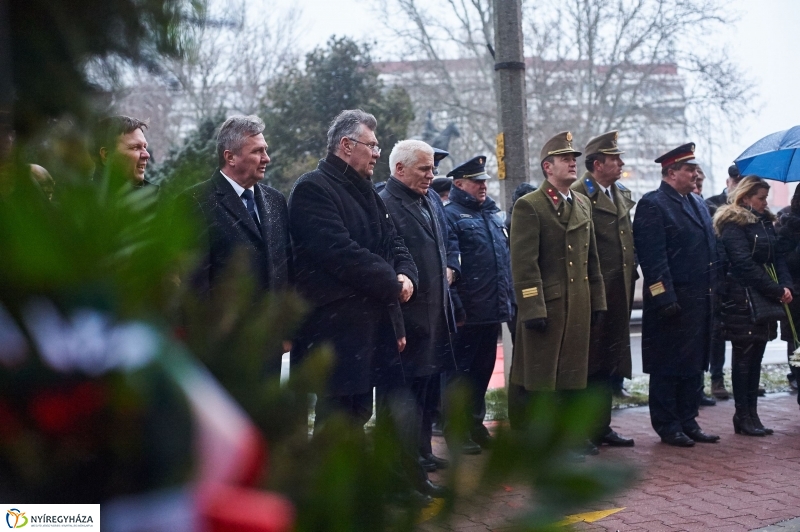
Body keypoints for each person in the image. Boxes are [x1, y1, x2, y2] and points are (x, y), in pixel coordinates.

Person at [288, 109, 418, 430]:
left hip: (368, 330)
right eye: (371, 146)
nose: (377, 154)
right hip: (335, 334)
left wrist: (407, 274)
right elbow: (340, 252)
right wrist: (392, 282)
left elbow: (394, 242)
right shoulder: (313, 188)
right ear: (346, 145)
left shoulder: (367, 190)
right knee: (337, 422)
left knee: (357, 414)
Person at [508, 132, 606, 456]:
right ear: (547, 167)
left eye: (574, 158)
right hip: (548, 306)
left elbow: (591, 259)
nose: (573, 163)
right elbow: (524, 263)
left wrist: (598, 300)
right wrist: (532, 307)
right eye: (565, 159)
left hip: (577, 303)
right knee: (541, 379)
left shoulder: (582, 203)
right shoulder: (530, 205)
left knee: (572, 376)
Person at [182, 115, 293, 374]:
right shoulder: (195, 201)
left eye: (265, 150)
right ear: (230, 157)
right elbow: (195, 280)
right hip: (223, 349)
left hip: (269, 344)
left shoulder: (276, 201)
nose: (267, 158)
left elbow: (285, 267)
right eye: (257, 151)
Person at [379, 139, 459, 481]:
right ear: (400, 169)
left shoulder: (429, 200)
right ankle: (402, 474)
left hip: (434, 317)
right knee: (402, 403)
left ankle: (421, 456)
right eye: (424, 168)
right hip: (409, 322)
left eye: (433, 169)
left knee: (426, 396)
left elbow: (444, 246)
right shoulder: (386, 203)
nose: (432, 175)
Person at [633, 143, 720, 447]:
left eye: (695, 169)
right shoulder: (653, 204)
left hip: (699, 300)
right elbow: (653, 260)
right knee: (668, 365)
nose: (696, 174)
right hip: (673, 302)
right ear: (671, 173)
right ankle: (668, 424)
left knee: (693, 365)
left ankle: (688, 419)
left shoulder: (696, 202)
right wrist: (664, 297)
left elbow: (709, 251)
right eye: (689, 169)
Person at [444, 155, 514, 453]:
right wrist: (457, 307)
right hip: (467, 313)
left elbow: (503, 263)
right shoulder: (450, 216)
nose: (483, 185)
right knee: (458, 377)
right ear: (459, 184)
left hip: (490, 311)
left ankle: (474, 424)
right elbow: (450, 268)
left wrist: (507, 301)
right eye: (476, 182)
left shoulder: (492, 215)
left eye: (484, 180)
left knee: (481, 373)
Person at [570, 130, 635, 449]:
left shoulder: (619, 192)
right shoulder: (579, 193)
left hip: (619, 289)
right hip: (595, 291)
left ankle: (601, 426)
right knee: (589, 363)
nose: (621, 163)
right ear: (597, 164)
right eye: (614, 159)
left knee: (609, 359)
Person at [713, 176, 792, 436]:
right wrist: (774, 289)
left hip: (761, 297)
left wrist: (785, 285)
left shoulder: (764, 221)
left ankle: (752, 414)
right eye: (761, 198)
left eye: (766, 197)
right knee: (744, 358)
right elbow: (743, 264)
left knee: (755, 357)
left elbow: (777, 257)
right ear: (746, 197)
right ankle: (742, 415)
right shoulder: (734, 224)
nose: (765, 202)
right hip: (742, 299)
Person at [705, 164, 744, 400]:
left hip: (740, 277)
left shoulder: (748, 207)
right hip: (719, 275)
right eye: (735, 180)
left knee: (744, 332)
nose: (737, 184)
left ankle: (744, 379)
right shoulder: (712, 204)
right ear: (728, 181)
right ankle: (716, 379)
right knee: (717, 332)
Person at [92, 115, 156, 191]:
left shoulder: (156, 196)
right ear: (107, 155)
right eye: (135, 147)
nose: (147, 155)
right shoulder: (86, 197)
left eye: (144, 147)